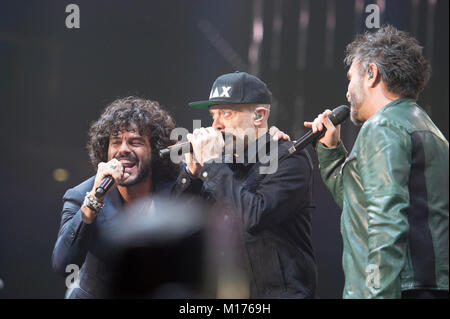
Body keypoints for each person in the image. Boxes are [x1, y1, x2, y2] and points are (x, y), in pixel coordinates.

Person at [305, 25, 449, 299]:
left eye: (350, 78)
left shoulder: (382, 127)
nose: (347, 92)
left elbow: (385, 224)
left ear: (371, 74)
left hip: (395, 289)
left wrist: (376, 293)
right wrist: (332, 152)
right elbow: (361, 206)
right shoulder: (430, 130)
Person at [173, 71, 318, 298]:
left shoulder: (288, 159)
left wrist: (211, 165)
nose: (216, 124)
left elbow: (254, 217)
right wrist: (191, 175)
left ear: (259, 116)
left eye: (226, 113)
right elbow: (177, 225)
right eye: (213, 115)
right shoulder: (218, 164)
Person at [51, 96, 178, 298]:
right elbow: (62, 264)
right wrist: (93, 202)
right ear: (105, 150)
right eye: (116, 142)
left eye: (135, 142)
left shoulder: (174, 190)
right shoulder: (80, 196)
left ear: (154, 151)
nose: (123, 149)